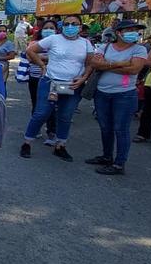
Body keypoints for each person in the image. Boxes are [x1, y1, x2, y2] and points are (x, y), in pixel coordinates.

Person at [20, 14, 95, 162]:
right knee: (41, 114)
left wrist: (83, 78)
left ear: (80, 27)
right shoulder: (54, 39)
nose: (70, 27)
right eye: (66, 24)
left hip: (73, 86)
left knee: (65, 116)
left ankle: (60, 146)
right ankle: (27, 143)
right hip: (50, 83)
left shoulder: (86, 43)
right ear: (62, 26)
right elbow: (30, 51)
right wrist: (42, 65)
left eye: (74, 24)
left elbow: (90, 63)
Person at [85, 20, 148, 175]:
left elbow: (134, 69)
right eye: (129, 30)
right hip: (102, 93)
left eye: (135, 30)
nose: (134, 32)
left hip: (125, 95)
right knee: (105, 127)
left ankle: (119, 163)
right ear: (119, 33)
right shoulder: (104, 46)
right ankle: (107, 156)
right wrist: (121, 64)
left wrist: (107, 65)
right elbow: (95, 63)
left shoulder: (139, 50)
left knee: (121, 129)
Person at [26, 21, 58, 145]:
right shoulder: (34, 43)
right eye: (46, 28)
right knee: (36, 104)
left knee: (52, 106)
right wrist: (48, 59)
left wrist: (38, 57)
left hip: (53, 79)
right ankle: (35, 129)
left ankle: (51, 132)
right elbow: (30, 57)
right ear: (41, 30)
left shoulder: (59, 44)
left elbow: (61, 59)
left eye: (52, 28)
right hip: (35, 78)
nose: (48, 30)